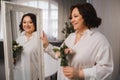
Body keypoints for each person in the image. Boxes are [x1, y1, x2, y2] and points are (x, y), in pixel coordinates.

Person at [41, 3, 113, 80]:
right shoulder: (71, 36)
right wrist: (47, 45)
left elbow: (106, 69)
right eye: (71, 17)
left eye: (75, 16)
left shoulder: (99, 40)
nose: (72, 20)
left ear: (86, 16)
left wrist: (80, 73)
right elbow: (61, 54)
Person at [13, 13, 39, 80]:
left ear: (35, 23)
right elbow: (15, 57)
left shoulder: (39, 39)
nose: (26, 25)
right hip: (19, 72)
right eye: (24, 22)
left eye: (30, 22)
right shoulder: (18, 39)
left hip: (33, 73)